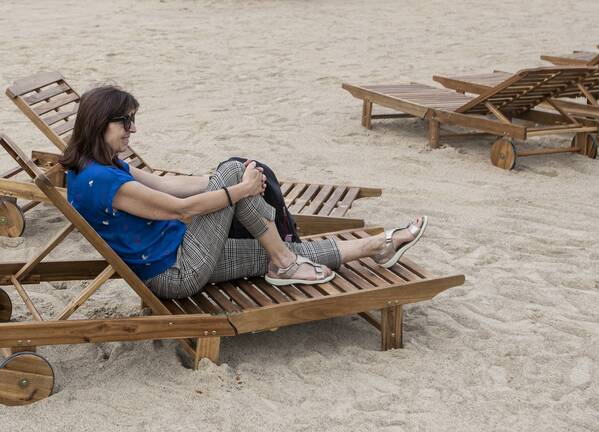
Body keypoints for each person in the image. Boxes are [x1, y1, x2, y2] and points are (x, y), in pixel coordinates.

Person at [62, 85, 428, 299]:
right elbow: (181, 209)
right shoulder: (103, 182)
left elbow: (163, 183)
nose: (133, 129)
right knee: (238, 169)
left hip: (179, 250)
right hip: (175, 270)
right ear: (100, 123)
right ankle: (286, 264)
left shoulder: (100, 166)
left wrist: (222, 182)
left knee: (271, 249)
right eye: (125, 121)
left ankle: (378, 246)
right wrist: (237, 187)